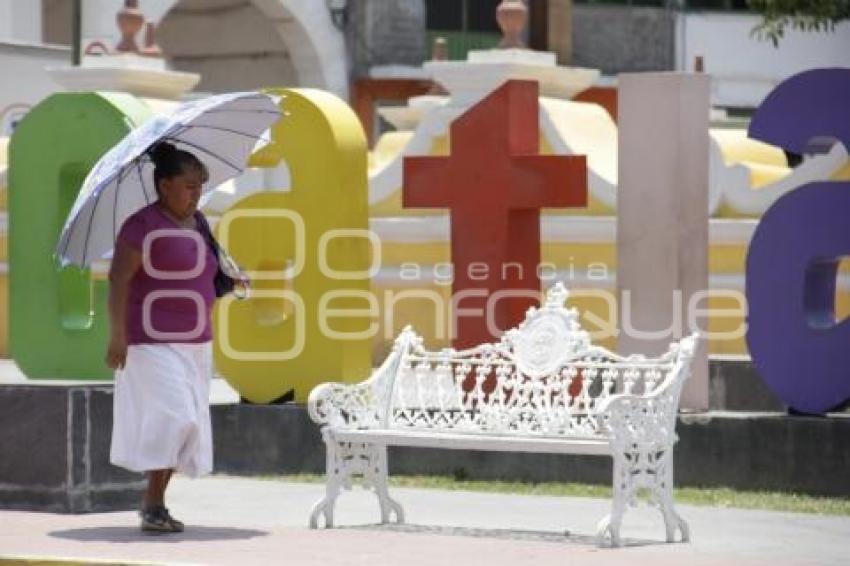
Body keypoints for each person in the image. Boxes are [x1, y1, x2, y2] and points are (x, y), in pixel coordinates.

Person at [106, 142, 217, 534]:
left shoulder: (200, 223)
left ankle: (155, 505)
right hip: (150, 340)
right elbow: (118, 278)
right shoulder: (142, 226)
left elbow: (204, 273)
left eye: (200, 187)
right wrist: (117, 335)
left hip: (195, 341)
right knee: (177, 416)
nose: (195, 194)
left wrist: (229, 281)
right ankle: (152, 500)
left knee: (186, 424)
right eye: (189, 186)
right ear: (164, 184)